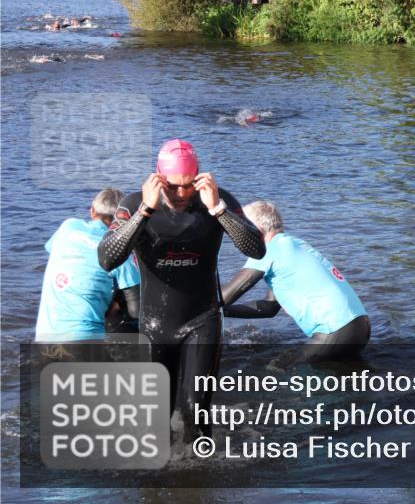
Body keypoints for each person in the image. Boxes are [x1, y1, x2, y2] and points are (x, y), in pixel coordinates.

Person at [97, 139, 265, 442]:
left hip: (202, 320)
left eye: (188, 185)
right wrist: (145, 211)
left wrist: (218, 209)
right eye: (173, 186)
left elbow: (256, 248)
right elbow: (108, 257)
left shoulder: (216, 199)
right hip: (154, 325)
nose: (181, 194)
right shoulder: (136, 204)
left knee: (194, 417)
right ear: (159, 177)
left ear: (199, 176)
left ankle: (200, 481)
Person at [222, 201, 370, 364]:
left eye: (243, 226)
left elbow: (224, 297)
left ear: (257, 228)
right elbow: (269, 307)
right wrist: (224, 311)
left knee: (283, 372)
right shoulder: (293, 244)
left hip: (335, 330)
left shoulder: (268, 251)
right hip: (360, 327)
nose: (239, 233)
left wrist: (196, 300)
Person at [35, 189, 141, 343]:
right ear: (124, 219)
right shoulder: (118, 253)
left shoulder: (67, 227)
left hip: (44, 337)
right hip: (85, 340)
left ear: (92, 211)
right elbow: (136, 310)